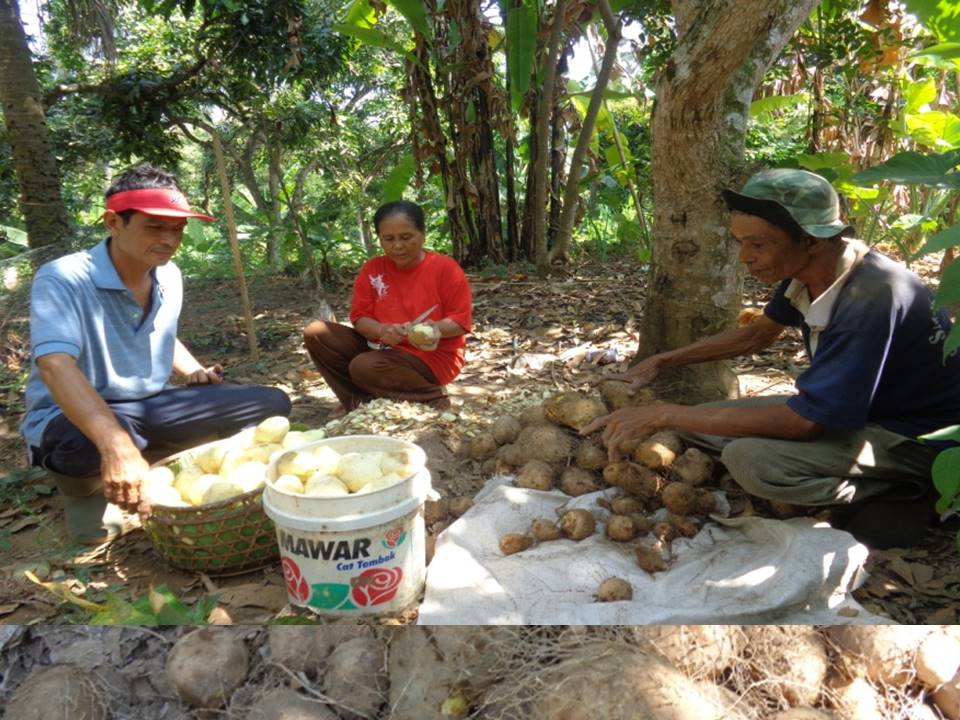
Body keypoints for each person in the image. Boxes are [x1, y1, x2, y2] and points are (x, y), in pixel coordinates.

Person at [583, 168, 960, 549]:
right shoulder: (809, 271)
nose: (746, 257)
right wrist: (662, 361)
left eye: (758, 245)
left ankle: (907, 489)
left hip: (916, 437)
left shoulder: (869, 298)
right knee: (698, 422)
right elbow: (756, 334)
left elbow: (806, 424)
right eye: (741, 243)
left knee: (750, 460)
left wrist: (663, 414)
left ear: (810, 239)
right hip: (857, 413)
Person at [22, 163, 291, 545]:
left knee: (269, 404)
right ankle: (89, 486)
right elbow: (54, 364)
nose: (169, 239)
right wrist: (115, 444)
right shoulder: (64, 277)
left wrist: (194, 370)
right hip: (75, 416)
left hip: (150, 405)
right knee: (83, 443)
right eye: (154, 226)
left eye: (177, 228)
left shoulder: (168, 275)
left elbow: (160, 333)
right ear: (114, 222)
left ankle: (144, 460)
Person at [304, 201, 472, 415]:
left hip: (431, 357)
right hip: (381, 349)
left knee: (363, 366)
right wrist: (382, 330)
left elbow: (460, 322)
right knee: (317, 333)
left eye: (406, 237)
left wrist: (436, 329)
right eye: (389, 239)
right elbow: (360, 318)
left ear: (422, 234)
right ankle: (359, 401)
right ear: (380, 239)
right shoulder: (373, 268)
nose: (398, 246)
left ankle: (432, 397)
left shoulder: (445, 268)